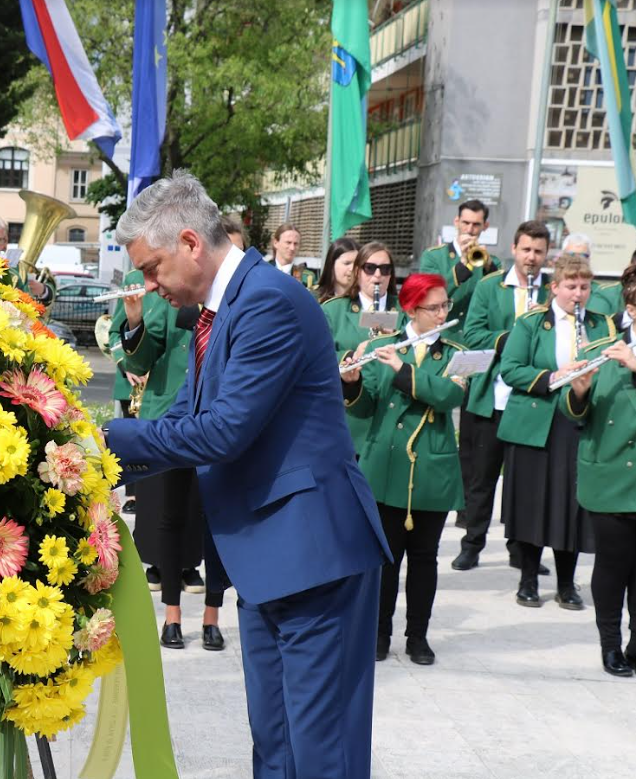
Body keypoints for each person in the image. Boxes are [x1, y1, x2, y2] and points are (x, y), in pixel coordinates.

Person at [103, 171, 390, 779]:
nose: (150, 288)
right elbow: (184, 414)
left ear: (188, 242)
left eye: (153, 269)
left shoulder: (267, 300)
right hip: (267, 560)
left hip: (314, 556)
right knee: (276, 743)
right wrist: (95, 460)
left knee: (321, 754)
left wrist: (101, 440)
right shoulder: (218, 311)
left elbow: (223, 432)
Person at [342, 274, 466, 665]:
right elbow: (365, 409)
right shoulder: (380, 346)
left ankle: (418, 636)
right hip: (386, 466)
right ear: (412, 310)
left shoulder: (454, 354)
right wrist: (351, 382)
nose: (443, 312)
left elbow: (448, 395)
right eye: (435, 307)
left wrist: (402, 370)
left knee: (425, 559)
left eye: (445, 305)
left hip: (431, 468)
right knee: (386, 561)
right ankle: (379, 634)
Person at [562, 265, 636, 678]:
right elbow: (575, 414)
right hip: (609, 474)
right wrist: (579, 390)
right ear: (631, 309)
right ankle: (610, 645)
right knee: (613, 564)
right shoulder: (602, 348)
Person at [498, 252, 616, 608]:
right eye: (570, 286)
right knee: (534, 503)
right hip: (538, 421)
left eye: (584, 286)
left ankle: (567, 584)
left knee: (572, 505)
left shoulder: (602, 325)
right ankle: (529, 580)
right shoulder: (532, 323)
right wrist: (554, 377)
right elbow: (511, 369)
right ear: (555, 288)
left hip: (579, 421)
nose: (578, 293)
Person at [117, 271, 225, 651]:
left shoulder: (237, 299)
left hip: (219, 418)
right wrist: (134, 317)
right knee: (170, 515)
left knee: (215, 521)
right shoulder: (170, 296)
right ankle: (172, 615)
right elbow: (143, 357)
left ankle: (213, 615)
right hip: (171, 416)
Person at [451, 221, 551, 573]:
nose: (531, 257)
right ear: (514, 248)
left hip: (530, 403)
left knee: (525, 484)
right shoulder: (490, 286)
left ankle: (521, 551)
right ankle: (472, 544)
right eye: (526, 249)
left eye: (538, 251)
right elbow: (472, 332)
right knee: (481, 479)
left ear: (546, 254)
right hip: (490, 398)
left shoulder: (552, 291)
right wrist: (515, 339)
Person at [321, 241, 403, 450]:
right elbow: (319, 357)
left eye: (385, 269)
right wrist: (350, 355)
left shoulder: (406, 310)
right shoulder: (334, 310)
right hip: (350, 420)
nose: (377, 275)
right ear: (357, 271)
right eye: (370, 268)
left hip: (395, 420)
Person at [418, 199, 501, 337]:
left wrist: (490, 268)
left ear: (485, 226)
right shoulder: (433, 256)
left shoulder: (492, 262)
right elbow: (428, 296)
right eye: (465, 223)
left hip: (474, 336)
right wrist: (461, 265)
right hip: (441, 335)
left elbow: (497, 301)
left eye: (476, 224)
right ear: (456, 222)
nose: (469, 230)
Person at [561, 233, 622, 316]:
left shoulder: (602, 293)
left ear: (589, 259)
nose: (577, 260)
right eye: (572, 255)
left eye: (583, 256)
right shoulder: (550, 288)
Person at [267, 223, 318, 289]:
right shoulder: (262, 271)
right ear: (275, 243)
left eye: (296, 244)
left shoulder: (307, 277)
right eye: (288, 242)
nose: (292, 248)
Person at [317, 236, 360, 304]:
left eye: (356, 264)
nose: (352, 268)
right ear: (331, 265)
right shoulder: (312, 297)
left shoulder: (364, 300)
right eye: (347, 263)